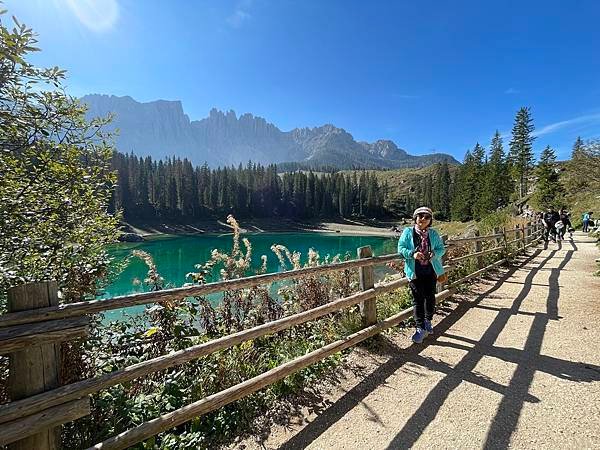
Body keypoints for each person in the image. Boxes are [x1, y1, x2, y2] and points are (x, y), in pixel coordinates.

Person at [397, 206, 446, 344]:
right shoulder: (408, 232)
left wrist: (434, 254)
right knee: (418, 299)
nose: (423, 219)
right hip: (415, 271)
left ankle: (428, 321)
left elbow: (441, 249)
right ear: (415, 218)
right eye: (420, 216)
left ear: (430, 220)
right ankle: (420, 328)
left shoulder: (434, 234)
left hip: (431, 270)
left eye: (427, 217)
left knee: (430, 297)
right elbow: (401, 249)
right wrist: (412, 254)